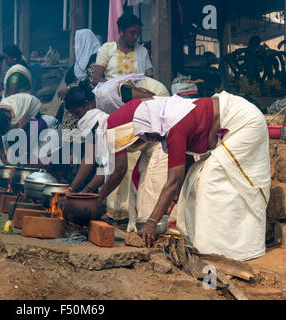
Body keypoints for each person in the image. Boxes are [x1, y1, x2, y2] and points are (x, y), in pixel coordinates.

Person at [132, 93, 270, 261]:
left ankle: (226, 248)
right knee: (194, 177)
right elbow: (185, 167)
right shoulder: (173, 123)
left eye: (149, 132)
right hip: (240, 120)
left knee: (210, 179)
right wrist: (173, 201)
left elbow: (173, 180)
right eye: (146, 136)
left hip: (246, 123)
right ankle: (210, 241)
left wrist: (152, 222)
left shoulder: (175, 127)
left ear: (153, 120)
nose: (150, 138)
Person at [63, 81, 174, 231]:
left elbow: (120, 169)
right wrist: (81, 191)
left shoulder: (109, 123)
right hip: (148, 141)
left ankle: (159, 234)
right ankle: (141, 230)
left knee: (150, 192)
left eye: (77, 113)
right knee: (137, 190)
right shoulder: (101, 123)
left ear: (88, 104)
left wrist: (99, 197)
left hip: (166, 132)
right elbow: (104, 168)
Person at [0, 93, 57, 166]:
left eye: (5, 131)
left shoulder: (20, 119)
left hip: (32, 104)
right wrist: (4, 159)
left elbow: (26, 141)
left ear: (9, 122)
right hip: (15, 104)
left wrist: (22, 156)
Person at [56, 29, 102, 131]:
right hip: (75, 110)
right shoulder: (81, 61)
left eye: (77, 43)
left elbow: (92, 87)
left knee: (81, 143)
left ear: (85, 42)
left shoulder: (95, 62)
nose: (74, 47)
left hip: (83, 111)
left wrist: (69, 89)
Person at [92, 14, 153, 86]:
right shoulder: (107, 48)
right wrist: (118, 88)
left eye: (138, 34)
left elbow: (150, 80)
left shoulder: (142, 51)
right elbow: (96, 79)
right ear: (121, 31)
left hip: (137, 94)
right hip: (112, 93)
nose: (136, 37)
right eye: (132, 33)